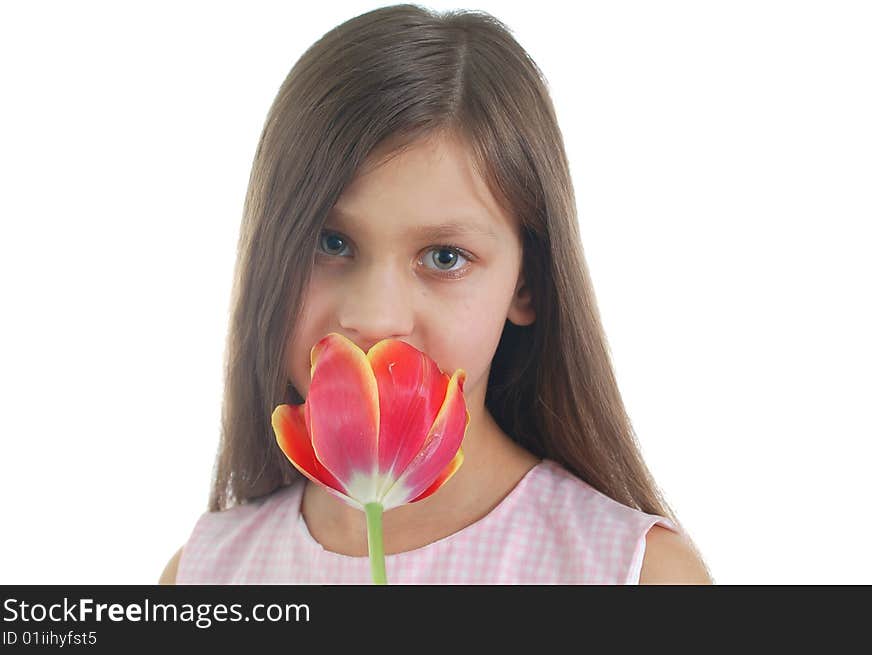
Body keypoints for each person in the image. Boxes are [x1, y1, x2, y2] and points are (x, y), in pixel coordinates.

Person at [160, 4, 712, 584]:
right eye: (331, 242)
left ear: (526, 283)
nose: (374, 318)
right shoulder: (203, 575)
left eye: (445, 258)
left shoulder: (633, 575)